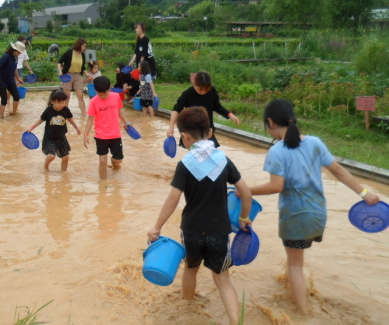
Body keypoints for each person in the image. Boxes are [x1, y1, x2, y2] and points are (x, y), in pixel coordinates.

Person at [247, 99, 380, 314]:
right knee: (297, 258)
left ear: (270, 122)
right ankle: (298, 297)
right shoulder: (315, 143)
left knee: (295, 265)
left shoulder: (277, 152)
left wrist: (247, 189)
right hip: (318, 215)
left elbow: (275, 186)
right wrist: (365, 193)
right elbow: (338, 171)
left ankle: (302, 314)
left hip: (295, 217)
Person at [147, 106, 252, 325]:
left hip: (192, 231)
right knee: (223, 280)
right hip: (219, 231)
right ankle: (236, 322)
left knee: (190, 270)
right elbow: (245, 192)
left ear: (184, 137)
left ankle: (188, 310)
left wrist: (157, 227)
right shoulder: (224, 161)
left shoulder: (184, 165)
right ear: (211, 133)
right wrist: (243, 219)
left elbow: (173, 199)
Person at [167, 71, 239, 148]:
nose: (203, 91)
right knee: (194, 154)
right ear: (194, 84)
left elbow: (217, 106)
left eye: (205, 89)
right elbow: (176, 109)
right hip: (192, 132)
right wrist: (171, 126)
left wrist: (230, 115)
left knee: (211, 152)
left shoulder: (212, 91)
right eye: (200, 89)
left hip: (207, 129)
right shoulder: (188, 93)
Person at [83, 76, 131, 180]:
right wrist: (86, 134)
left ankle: (114, 165)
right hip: (101, 136)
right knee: (103, 161)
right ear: (95, 90)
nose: (102, 96)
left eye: (104, 93)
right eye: (100, 93)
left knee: (118, 160)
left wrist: (126, 122)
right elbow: (90, 119)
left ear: (109, 88)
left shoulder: (116, 97)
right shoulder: (94, 101)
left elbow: (118, 112)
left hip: (115, 135)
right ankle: (103, 185)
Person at [26, 89, 81, 171]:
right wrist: (31, 127)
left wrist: (76, 127)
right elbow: (40, 120)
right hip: (49, 138)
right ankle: (46, 166)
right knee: (52, 156)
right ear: (52, 102)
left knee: (66, 157)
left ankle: (64, 175)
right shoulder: (48, 111)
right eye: (59, 103)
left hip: (61, 138)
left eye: (63, 102)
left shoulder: (66, 110)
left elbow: (70, 119)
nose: (62, 104)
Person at [57, 38, 87, 116]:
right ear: (79, 45)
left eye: (85, 46)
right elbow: (59, 62)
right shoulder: (69, 53)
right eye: (84, 46)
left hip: (78, 76)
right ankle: (65, 114)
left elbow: (82, 67)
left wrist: (88, 74)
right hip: (67, 76)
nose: (85, 48)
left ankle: (84, 115)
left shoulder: (83, 55)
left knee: (80, 96)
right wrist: (60, 71)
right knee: (67, 97)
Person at [0, 41, 25, 118]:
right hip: (2, 81)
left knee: (16, 96)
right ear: (15, 50)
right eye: (20, 52)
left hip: (10, 81)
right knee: (4, 99)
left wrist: (18, 78)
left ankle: (13, 113)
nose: (20, 53)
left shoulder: (15, 57)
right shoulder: (6, 56)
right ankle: (1, 117)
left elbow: (14, 68)